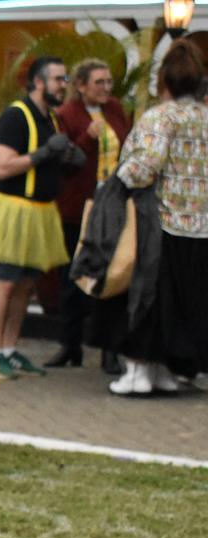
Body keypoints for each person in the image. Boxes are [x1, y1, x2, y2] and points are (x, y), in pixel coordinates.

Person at [0, 56, 84, 379]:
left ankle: (9, 349)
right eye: (59, 79)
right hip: (15, 209)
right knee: (6, 281)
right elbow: (3, 166)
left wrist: (69, 159)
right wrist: (44, 153)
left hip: (41, 212)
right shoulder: (16, 116)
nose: (64, 85)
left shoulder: (52, 119)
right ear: (38, 82)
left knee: (26, 284)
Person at [109, 40, 208, 395]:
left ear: (164, 79)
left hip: (160, 223)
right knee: (184, 305)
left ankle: (137, 373)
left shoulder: (159, 117)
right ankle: (165, 370)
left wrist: (117, 181)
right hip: (200, 229)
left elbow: (143, 167)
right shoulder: (204, 117)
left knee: (148, 301)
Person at [47, 58, 130, 373]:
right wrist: (87, 139)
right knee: (72, 275)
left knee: (110, 277)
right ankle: (69, 345)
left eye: (109, 82)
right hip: (78, 205)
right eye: (99, 82)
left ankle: (110, 349)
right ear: (81, 86)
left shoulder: (117, 110)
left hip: (112, 204)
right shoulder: (67, 115)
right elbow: (65, 161)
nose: (106, 88)